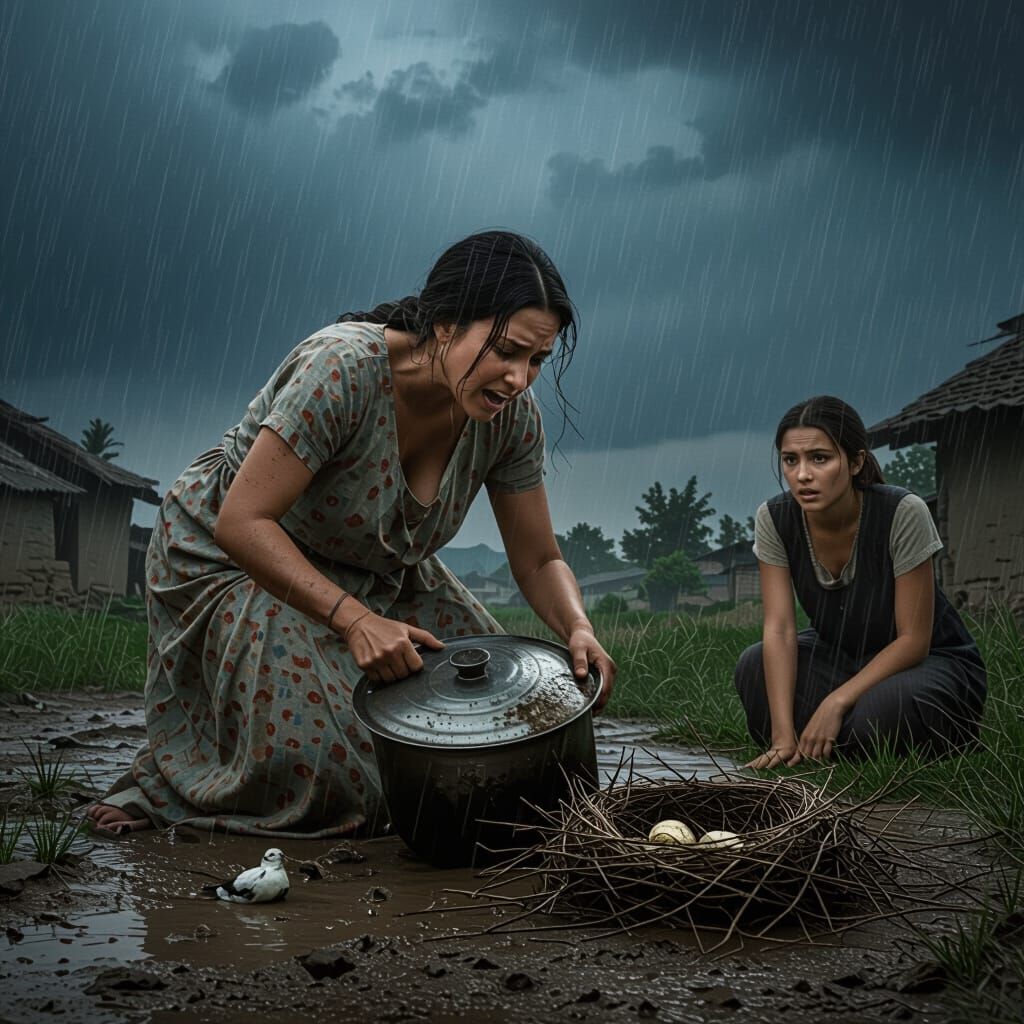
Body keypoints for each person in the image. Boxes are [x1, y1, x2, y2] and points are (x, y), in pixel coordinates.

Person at [87, 230, 617, 837]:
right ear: (445, 325)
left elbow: (539, 559)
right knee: (340, 777)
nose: (519, 378)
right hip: (237, 557)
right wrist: (355, 621)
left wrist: (577, 628)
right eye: (505, 351)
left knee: (509, 720)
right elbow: (243, 521)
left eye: (537, 360)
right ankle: (166, 781)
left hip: (379, 571)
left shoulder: (510, 416)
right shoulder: (342, 368)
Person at [735, 395, 986, 769]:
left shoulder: (902, 513)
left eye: (820, 458)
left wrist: (836, 701)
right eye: (791, 460)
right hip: (841, 656)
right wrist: (781, 734)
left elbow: (914, 641)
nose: (803, 475)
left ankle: (871, 733)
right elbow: (781, 630)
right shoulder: (775, 519)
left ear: (855, 462)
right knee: (753, 665)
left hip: (928, 662)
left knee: (882, 710)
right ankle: (812, 742)